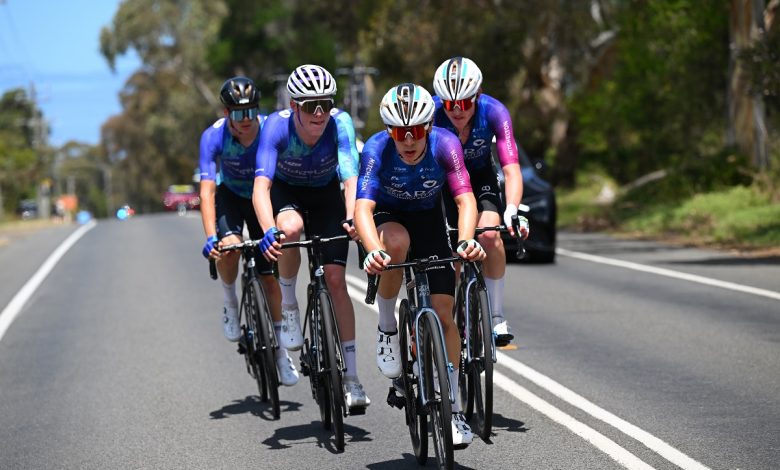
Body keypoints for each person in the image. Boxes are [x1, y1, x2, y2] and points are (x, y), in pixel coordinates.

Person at [355, 83, 486, 447]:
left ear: (429, 126)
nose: (409, 140)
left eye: (415, 130)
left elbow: (465, 200)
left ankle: (454, 410)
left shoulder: (446, 144)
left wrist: (465, 240)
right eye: (400, 132)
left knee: (444, 316)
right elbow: (362, 208)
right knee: (395, 244)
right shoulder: (377, 149)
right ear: (389, 131)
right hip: (389, 216)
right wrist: (372, 249)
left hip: (429, 218)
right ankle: (387, 327)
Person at [252, 64, 370, 409]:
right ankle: (288, 303)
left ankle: (352, 378)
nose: (319, 113)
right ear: (294, 106)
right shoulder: (276, 127)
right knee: (290, 229)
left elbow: (350, 178)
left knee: (336, 281)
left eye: (325, 104)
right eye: (309, 106)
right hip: (287, 192)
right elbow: (261, 188)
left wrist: (352, 217)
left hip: (325, 195)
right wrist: (268, 231)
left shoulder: (340, 123)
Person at [199, 76, 298, 387]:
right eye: (238, 113)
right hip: (230, 197)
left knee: (270, 278)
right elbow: (207, 193)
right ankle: (230, 301)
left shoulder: (268, 128)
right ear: (226, 113)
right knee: (229, 248)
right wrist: (210, 237)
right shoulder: (213, 137)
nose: (246, 119)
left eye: (251, 111)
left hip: (262, 198)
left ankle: (281, 354)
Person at [432, 57, 530, 346]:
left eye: (465, 102)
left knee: (489, 235)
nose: (457, 110)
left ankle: (496, 316)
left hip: (479, 176)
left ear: (478, 95)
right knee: (451, 251)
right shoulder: (431, 114)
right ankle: (447, 319)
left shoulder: (494, 111)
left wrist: (511, 208)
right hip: (442, 181)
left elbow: (511, 169)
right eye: (450, 104)